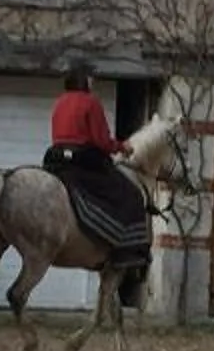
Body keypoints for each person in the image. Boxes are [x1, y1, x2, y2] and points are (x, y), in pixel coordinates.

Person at [43, 61, 148, 305]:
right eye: (91, 78)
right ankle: (125, 251)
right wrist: (123, 147)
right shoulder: (91, 102)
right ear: (84, 80)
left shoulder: (59, 102)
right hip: (85, 161)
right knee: (130, 194)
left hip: (57, 160)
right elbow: (101, 141)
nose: (94, 82)